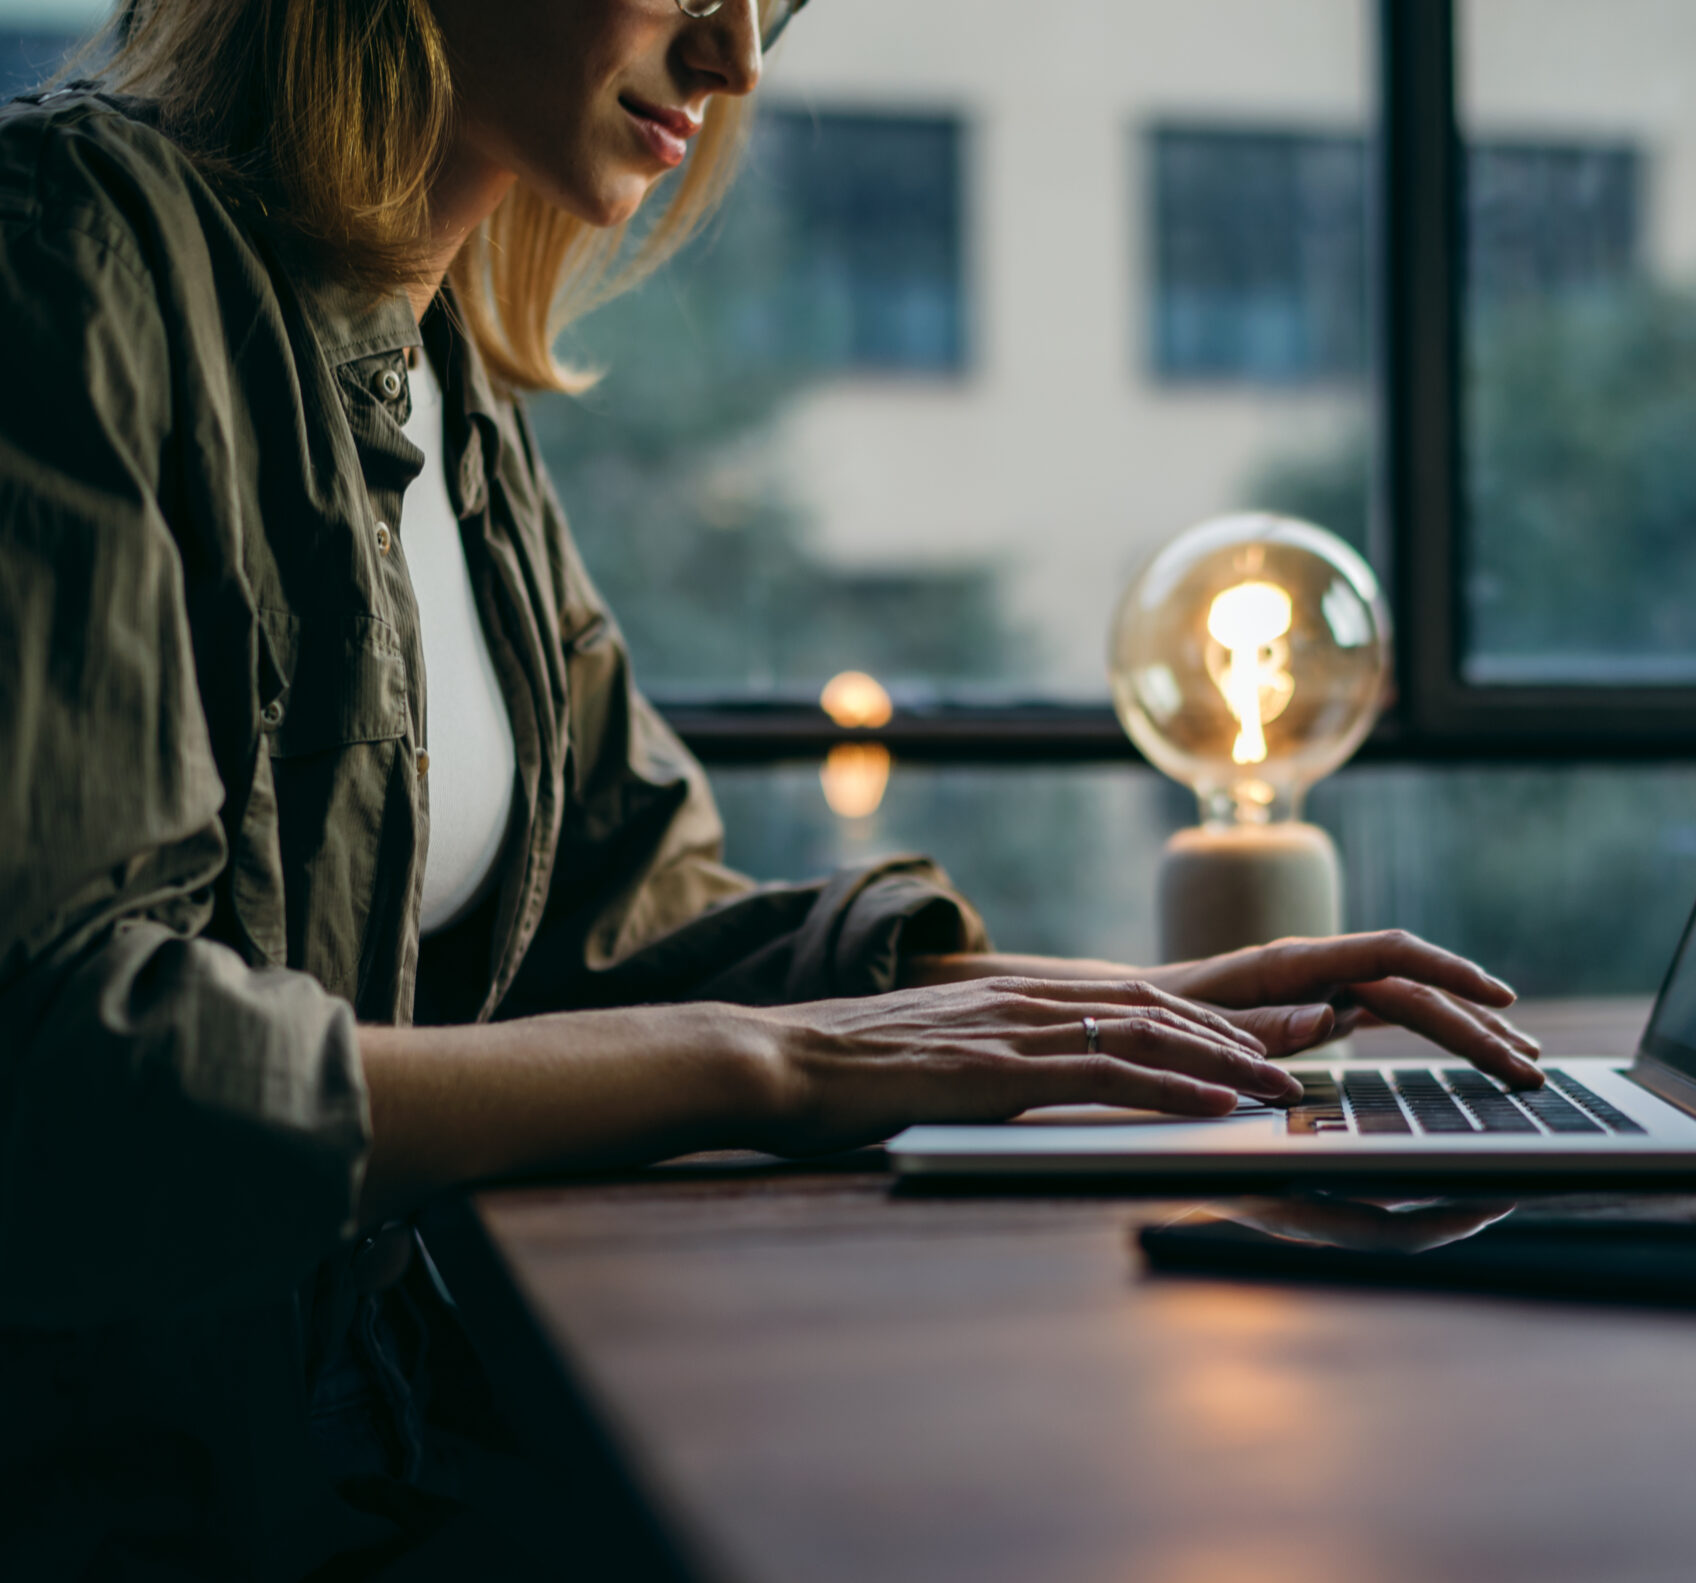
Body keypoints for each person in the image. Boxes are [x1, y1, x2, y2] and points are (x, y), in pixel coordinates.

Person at [0, 1, 1537, 1573]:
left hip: (359, 1452)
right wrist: (775, 1064)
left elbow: (626, 907)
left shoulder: (440, 365)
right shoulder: (65, 254)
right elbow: (74, 1066)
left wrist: (1103, 1010)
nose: (738, 59)